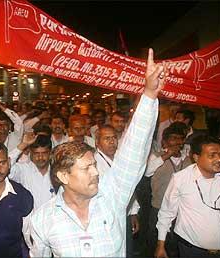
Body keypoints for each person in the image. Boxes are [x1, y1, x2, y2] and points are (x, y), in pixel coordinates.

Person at [29, 48, 163, 257]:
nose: (96, 172)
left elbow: (133, 152)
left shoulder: (112, 195)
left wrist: (148, 96)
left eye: (94, 165)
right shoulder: (42, 219)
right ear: (63, 175)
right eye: (87, 168)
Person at [155, 135, 220, 258]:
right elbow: (166, 212)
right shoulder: (181, 178)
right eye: (212, 155)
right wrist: (161, 245)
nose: (219, 159)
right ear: (196, 157)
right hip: (192, 250)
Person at [94, 124, 141, 257]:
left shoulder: (121, 159)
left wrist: (133, 212)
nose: (112, 141)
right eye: (106, 138)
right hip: (105, 219)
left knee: (127, 251)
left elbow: (129, 187)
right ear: (97, 142)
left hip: (124, 214)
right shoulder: (94, 162)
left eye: (114, 137)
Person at [145, 123, 191, 256]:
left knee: (176, 244)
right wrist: (166, 155)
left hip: (182, 210)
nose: (177, 141)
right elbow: (147, 172)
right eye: (173, 138)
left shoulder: (188, 159)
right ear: (164, 141)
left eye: (180, 138)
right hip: (158, 207)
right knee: (155, 243)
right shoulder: (155, 156)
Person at [9, 133, 55, 210]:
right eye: (36, 153)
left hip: (52, 220)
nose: (40, 157)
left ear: (50, 153)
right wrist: (23, 145)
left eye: (44, 153)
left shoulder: (57, 173)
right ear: (30, 153)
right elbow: (3, 166)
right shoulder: (23, 170)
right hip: (30, 221)